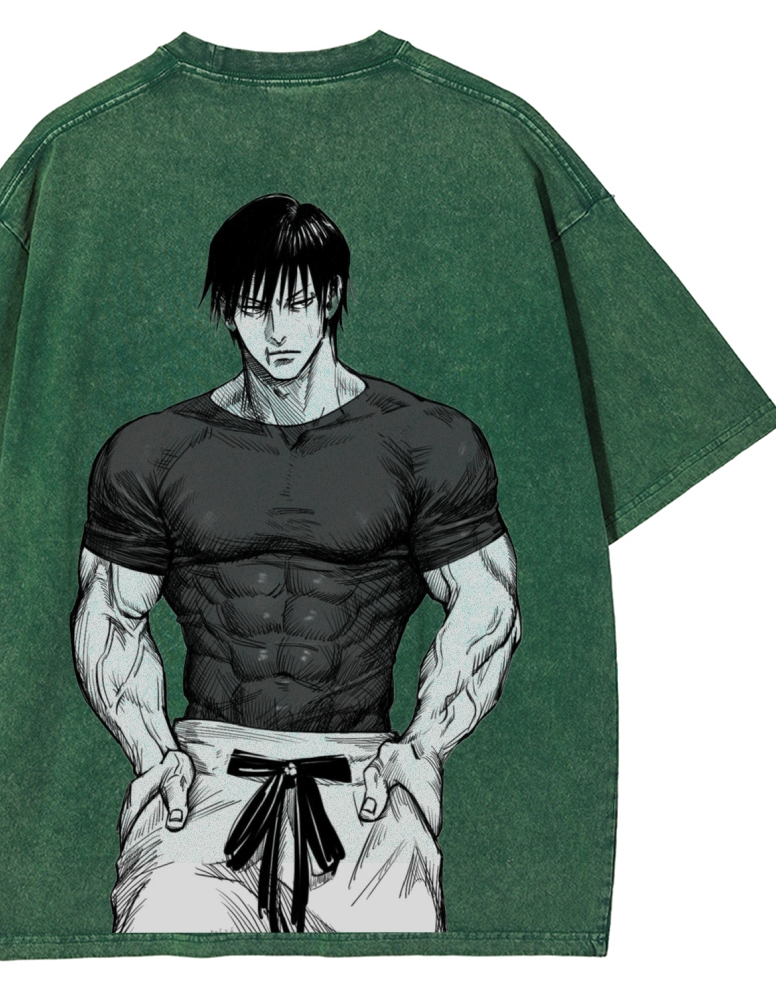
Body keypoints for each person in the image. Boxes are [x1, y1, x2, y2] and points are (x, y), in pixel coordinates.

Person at [71, 193, 522, 933]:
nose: (278, 332)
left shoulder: (427, 441)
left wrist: (423, 748)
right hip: (202, 780)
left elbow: (486, 604)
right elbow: (111, 613)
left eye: (297, 303)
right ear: (227, 311)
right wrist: (152, 754)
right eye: (255, 308)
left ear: (332, 297)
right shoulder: (152, 450)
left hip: (367, 778)